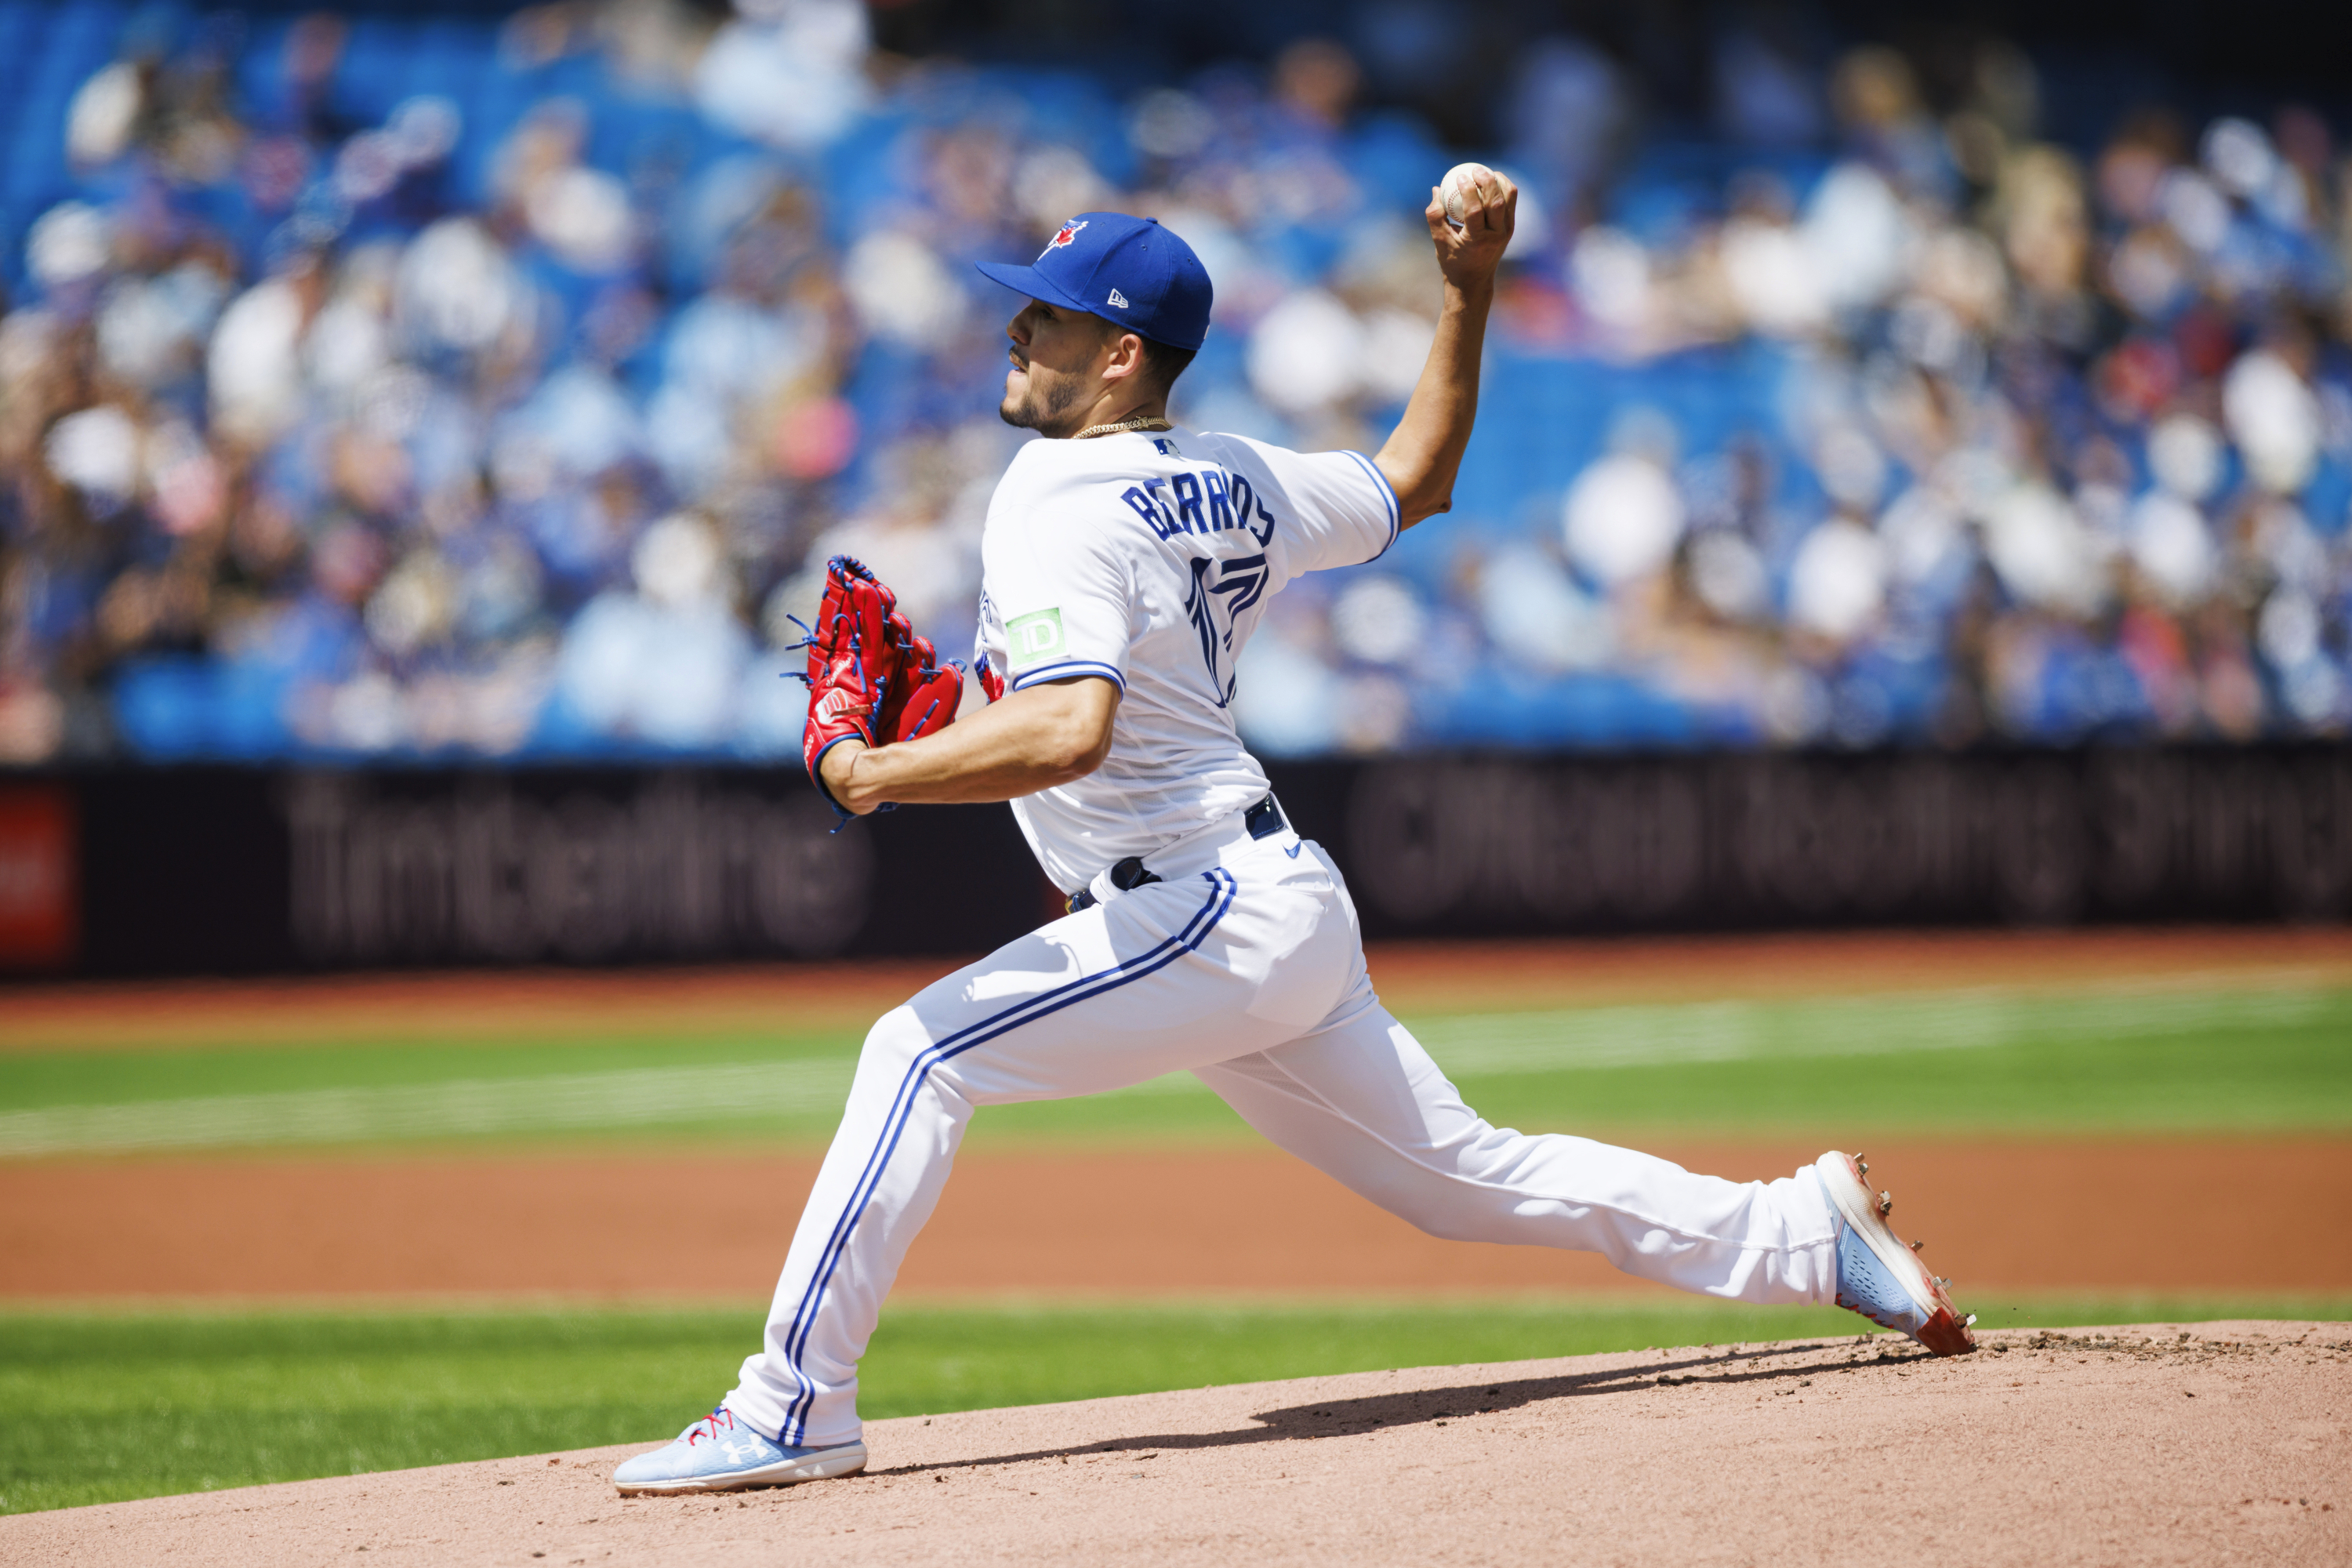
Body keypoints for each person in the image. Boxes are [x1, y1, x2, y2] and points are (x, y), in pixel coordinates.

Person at [612, 176, 1973, 1496]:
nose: (1018, 330)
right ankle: (1802, 1234)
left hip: (1202, 905)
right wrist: (1469, 290)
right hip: (1269, 902)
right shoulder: (1233, 472)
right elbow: (1416, 480)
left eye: (1050, 315)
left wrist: (878, 771)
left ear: (1120, 353)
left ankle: (790, 1410)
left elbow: (1073, 726)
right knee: (1465, 1179)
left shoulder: (1050, 493)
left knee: (914, 1055)